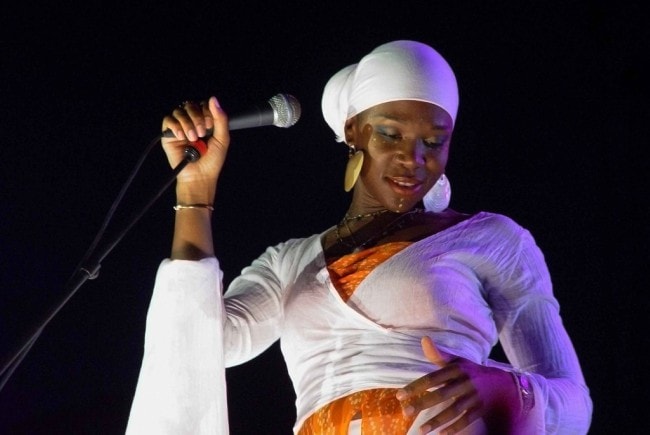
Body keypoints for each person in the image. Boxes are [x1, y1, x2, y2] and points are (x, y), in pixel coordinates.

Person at [126, 40, 592, 434]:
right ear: (354, 131)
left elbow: (574, 405)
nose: (415, 158)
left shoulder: (489, 239)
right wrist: (195, 195)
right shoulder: (289, 262)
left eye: (434, 141)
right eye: (391, 134)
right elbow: (196, 349)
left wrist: (501, 386)